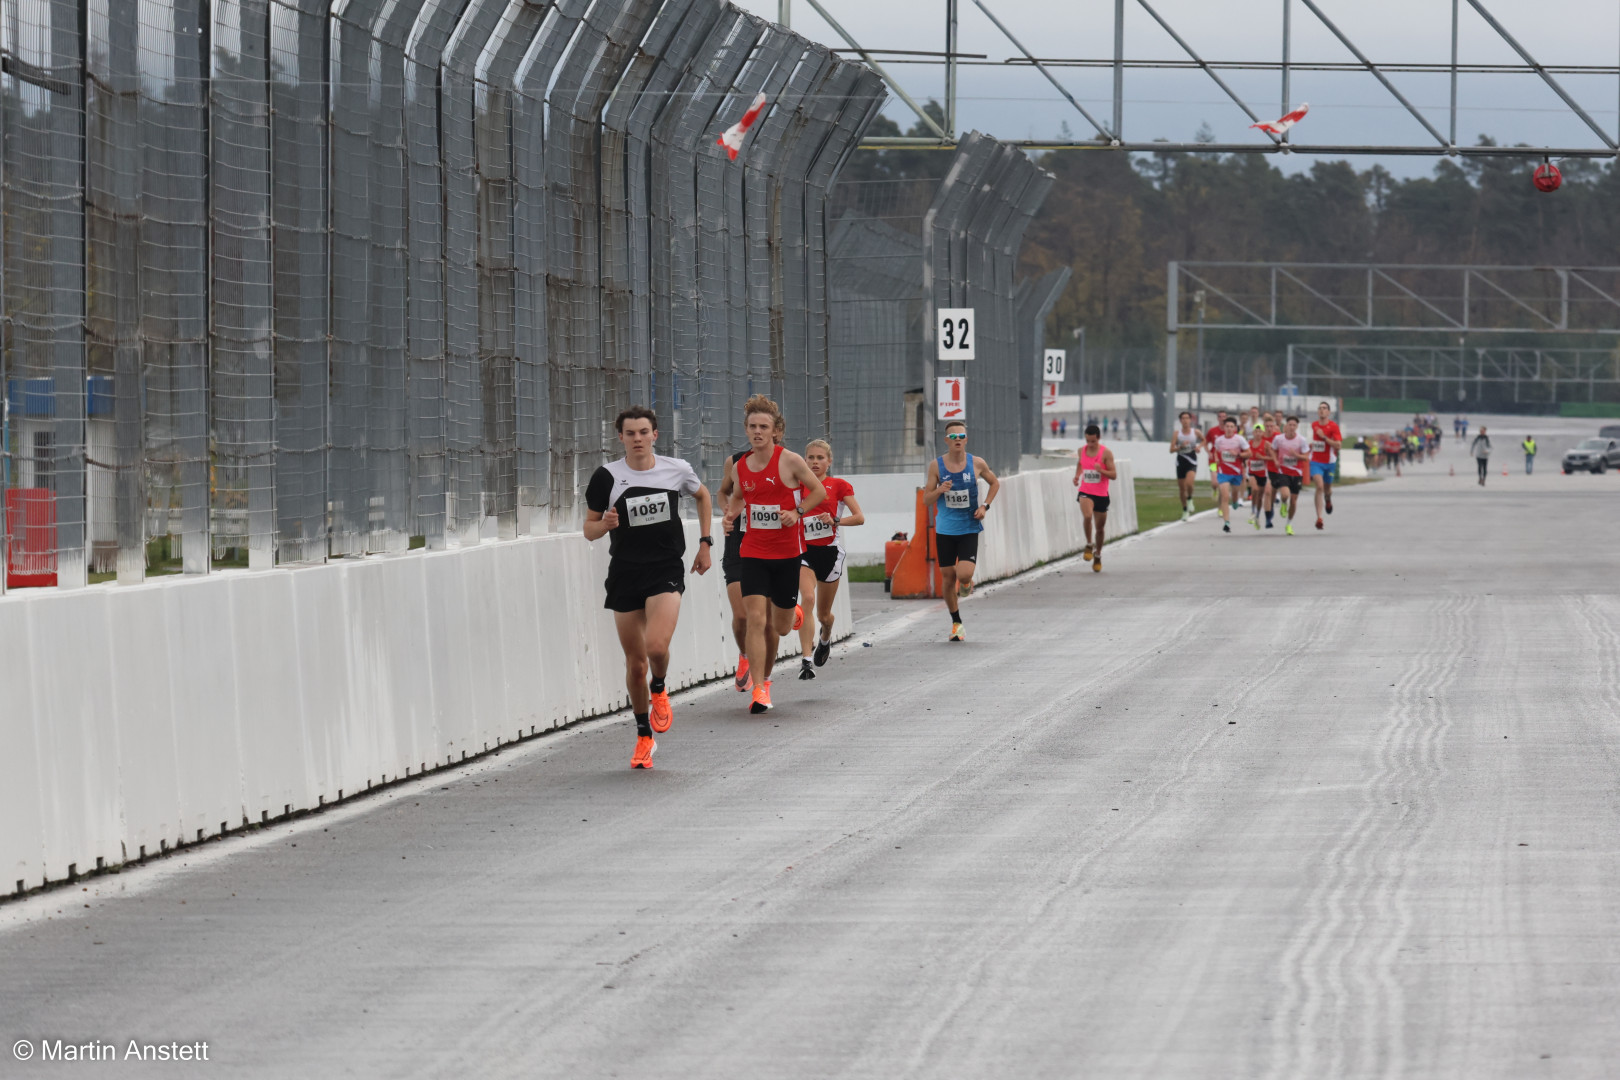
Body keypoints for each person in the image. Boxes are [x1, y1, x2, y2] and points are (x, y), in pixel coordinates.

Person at [584, 407, 713, 770]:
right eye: (630, 433)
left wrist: (705, 542)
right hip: (625, 573)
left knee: (656, 647)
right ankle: (643, 737)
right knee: (635, 664)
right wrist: (606, 524)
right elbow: (588, 529)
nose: (637, 438)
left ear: (655, 435)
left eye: (644, 432)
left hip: (665, 569)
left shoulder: (676, 469)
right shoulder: (606, 477)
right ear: (620, 437)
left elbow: (703, 496)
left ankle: (660, 687)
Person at [724, 395, 826, 714]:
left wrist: (797, 511)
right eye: (752, 426)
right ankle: (760, 688)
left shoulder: (790, 461)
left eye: (763, 427)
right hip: (753, 551)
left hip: (787, 554)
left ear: (774, 431)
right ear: (746, 430)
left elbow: (819, 492)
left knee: (780, 627)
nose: (757, 432)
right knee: (756, 618)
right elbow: (739, 496)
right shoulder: (741, 467)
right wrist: (730, 515)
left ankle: (793, 612)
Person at [923, 420, 1000, 642]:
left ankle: (966, 583)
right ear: (946, 440)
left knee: (963, 574)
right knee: (947, 578)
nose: (957, 440)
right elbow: (927, 500)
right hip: (945, 529)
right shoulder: (936, 466)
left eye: (961, 437)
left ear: (966, 439)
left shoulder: (976, 463)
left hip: (968, 526)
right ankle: (956, 623)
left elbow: (994, 483)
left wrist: (985, 506)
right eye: (953, 437)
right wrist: (939, 490)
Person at [795, 439, 864, 679]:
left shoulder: (839, 485)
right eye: (810, 457)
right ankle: (806, 660)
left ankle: (826, 634)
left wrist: (835, 520)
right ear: (804, 460)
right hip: (803, 551)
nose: (814, 462)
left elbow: (859, 517)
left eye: (820, 458)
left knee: (824, 614)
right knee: (808, 598)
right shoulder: (797, 485)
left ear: (829, 461)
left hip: (829, 553)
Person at [1073, 423, 1118, 571]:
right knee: (1087, 516)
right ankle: (1088, 544)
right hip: (1086, 490)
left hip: (1101, 494)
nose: (1090, 444)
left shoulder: (1106, 454)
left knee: (1100, 528)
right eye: (1088, 441)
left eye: (1093, 441)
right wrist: (1077, 476)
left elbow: (1114, 475)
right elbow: (1080, 463)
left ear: (1099, 438)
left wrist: (1101, 470)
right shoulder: (1081, 451)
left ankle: (1097, 555)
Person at [1271, 416, 1310, 535]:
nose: (1292, 427)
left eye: (1294, 425)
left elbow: (1306, 457)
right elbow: (1272, 450)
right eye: (1290, 425)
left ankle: (1289, 523)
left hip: (1297, 473)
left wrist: (1296, 455)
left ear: (1297, 427)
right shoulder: (1279, 438)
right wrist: (1276, 460)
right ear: (1286, 426)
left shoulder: (1301, 440)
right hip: (1283, 471)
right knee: (1285, 494)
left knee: (1293, 501)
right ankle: (1283, 503)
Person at [1211, 416, 1249, 534]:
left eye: (1231, 427)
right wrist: (1217, 459)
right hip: (1223, 472)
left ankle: (1236, 500)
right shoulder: (1219, 440)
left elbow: (1249, 453)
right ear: (1224, 427)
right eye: (1227, 426)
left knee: (1234, 494)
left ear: (1235, 428)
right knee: (1225, 496)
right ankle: (1226, 523)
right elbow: (1215, 452)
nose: (1229, 429)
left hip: (1236, 473)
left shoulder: (1240, 439)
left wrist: (1238, 454)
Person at [1308, 401, 1343, 531]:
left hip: (1329, 463)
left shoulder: (1333, 427)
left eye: (1324, 408)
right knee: (1319, 486)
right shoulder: (1314, 425)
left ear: (1328, 412)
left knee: (1327, 489)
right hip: (1316, 462)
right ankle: (1319, 518)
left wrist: (1324, 438)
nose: (1322, 410)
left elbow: (1338, 445)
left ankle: (1328, 499)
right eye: (1320, 408)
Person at [1169, 410, 1201, 520]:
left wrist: (1199, 447)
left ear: (1190, 420)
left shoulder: (1195, 432)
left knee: (1189, 483)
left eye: (1187, 418)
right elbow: (1171, 449)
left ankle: (1190, 499)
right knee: (1182, 489)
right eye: (1183, 418)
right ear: (1180, 421)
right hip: (1180, 462)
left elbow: (1204, 440)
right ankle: (1185, 510)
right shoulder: (1177, 434)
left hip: (1191, 461)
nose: (1185, 420)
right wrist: (1180, 447)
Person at [1244, 415, 1272, 528]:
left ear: (1263, 433)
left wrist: (1263, 458)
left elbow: (1273, 458)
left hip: (1262, 473)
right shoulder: (1248, 444)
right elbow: (1245, 455)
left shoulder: (1266, 444)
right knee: (1254, 489)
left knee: (1260, 496)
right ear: (1253, 433)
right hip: (1251, 471)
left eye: (1260, 431)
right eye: (1256, 431)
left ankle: (1257, 515)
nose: (1258, 433)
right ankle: (1252, 511)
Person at [1204, 409, 1229, 501]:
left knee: (1223, 485)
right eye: (1220, 417)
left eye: (1224, 417)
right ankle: (1214, 489)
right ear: (1217, 418)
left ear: (1226, 418)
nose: (1222, 419)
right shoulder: (1212, 431)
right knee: (1215, 483)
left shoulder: (1230, 431)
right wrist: (1209, 452)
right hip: (1214, 460)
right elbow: (1205, 443)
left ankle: (1221, 507)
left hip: (1226, 461)